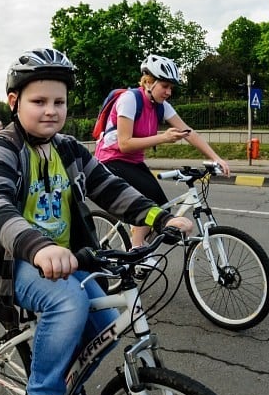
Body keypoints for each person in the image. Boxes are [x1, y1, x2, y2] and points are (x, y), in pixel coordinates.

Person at [0, 47, 193, 395]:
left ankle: (65, 379)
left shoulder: (68, 148)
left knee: (108, 324)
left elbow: (109, 188)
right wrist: (38, 247)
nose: (51, 110)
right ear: (14, 102)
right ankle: (42, 394)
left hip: (67, 258)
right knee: (68, 301)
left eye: (59, 101)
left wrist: (158, 216)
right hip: (11, 261)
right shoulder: (2, 148)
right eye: (38, 101)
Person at [95, 54, 230, 249]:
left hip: (133, 162)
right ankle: (137, 250)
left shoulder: (161, 106)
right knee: (150, 203)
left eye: (171, 88)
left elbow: (188, 132)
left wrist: (217, 158)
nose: (168, 92)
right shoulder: (130, 100)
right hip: (111, 159)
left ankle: (139, 243)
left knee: (162, 208)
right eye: (165, 86)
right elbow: (124, 144)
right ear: (148, 82)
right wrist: (163, 137)